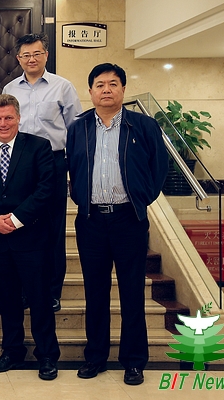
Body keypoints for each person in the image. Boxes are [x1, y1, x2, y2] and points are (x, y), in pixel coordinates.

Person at [67, 63, 167, 386]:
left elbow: (159, 167)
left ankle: (134, 361)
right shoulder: (78, 127)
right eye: (100, 84)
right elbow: (73, 168)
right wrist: (81, 198)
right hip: (91, 220)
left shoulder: (144, 126)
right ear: (91, 91)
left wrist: (142, 197)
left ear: (123, 89)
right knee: (95, 292)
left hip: (129, 219)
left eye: (113, 83)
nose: (106, 89)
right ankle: (95, 356)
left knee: (132, 292)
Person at [0, 94, 60, 380]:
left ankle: (47, 355)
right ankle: (12, 350)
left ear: (19, 118)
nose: (3, 123)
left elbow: (45, 189)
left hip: (32, 237)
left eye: (8, 117)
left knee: (40, 299)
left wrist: (17, 218)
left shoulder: (39, 147)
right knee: (6, 300)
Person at [3, 33, 82, 312]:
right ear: (18, 59)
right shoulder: (10, 88)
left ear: (46, 55)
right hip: (20, 163)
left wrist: (73, 171)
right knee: (23, 224)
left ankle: (51, 291)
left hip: (53, 162)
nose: (31, 59)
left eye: (37, 54)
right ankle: (26, 289)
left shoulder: (63, 87)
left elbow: (75, 131)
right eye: (26, 55)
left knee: (53, 228)